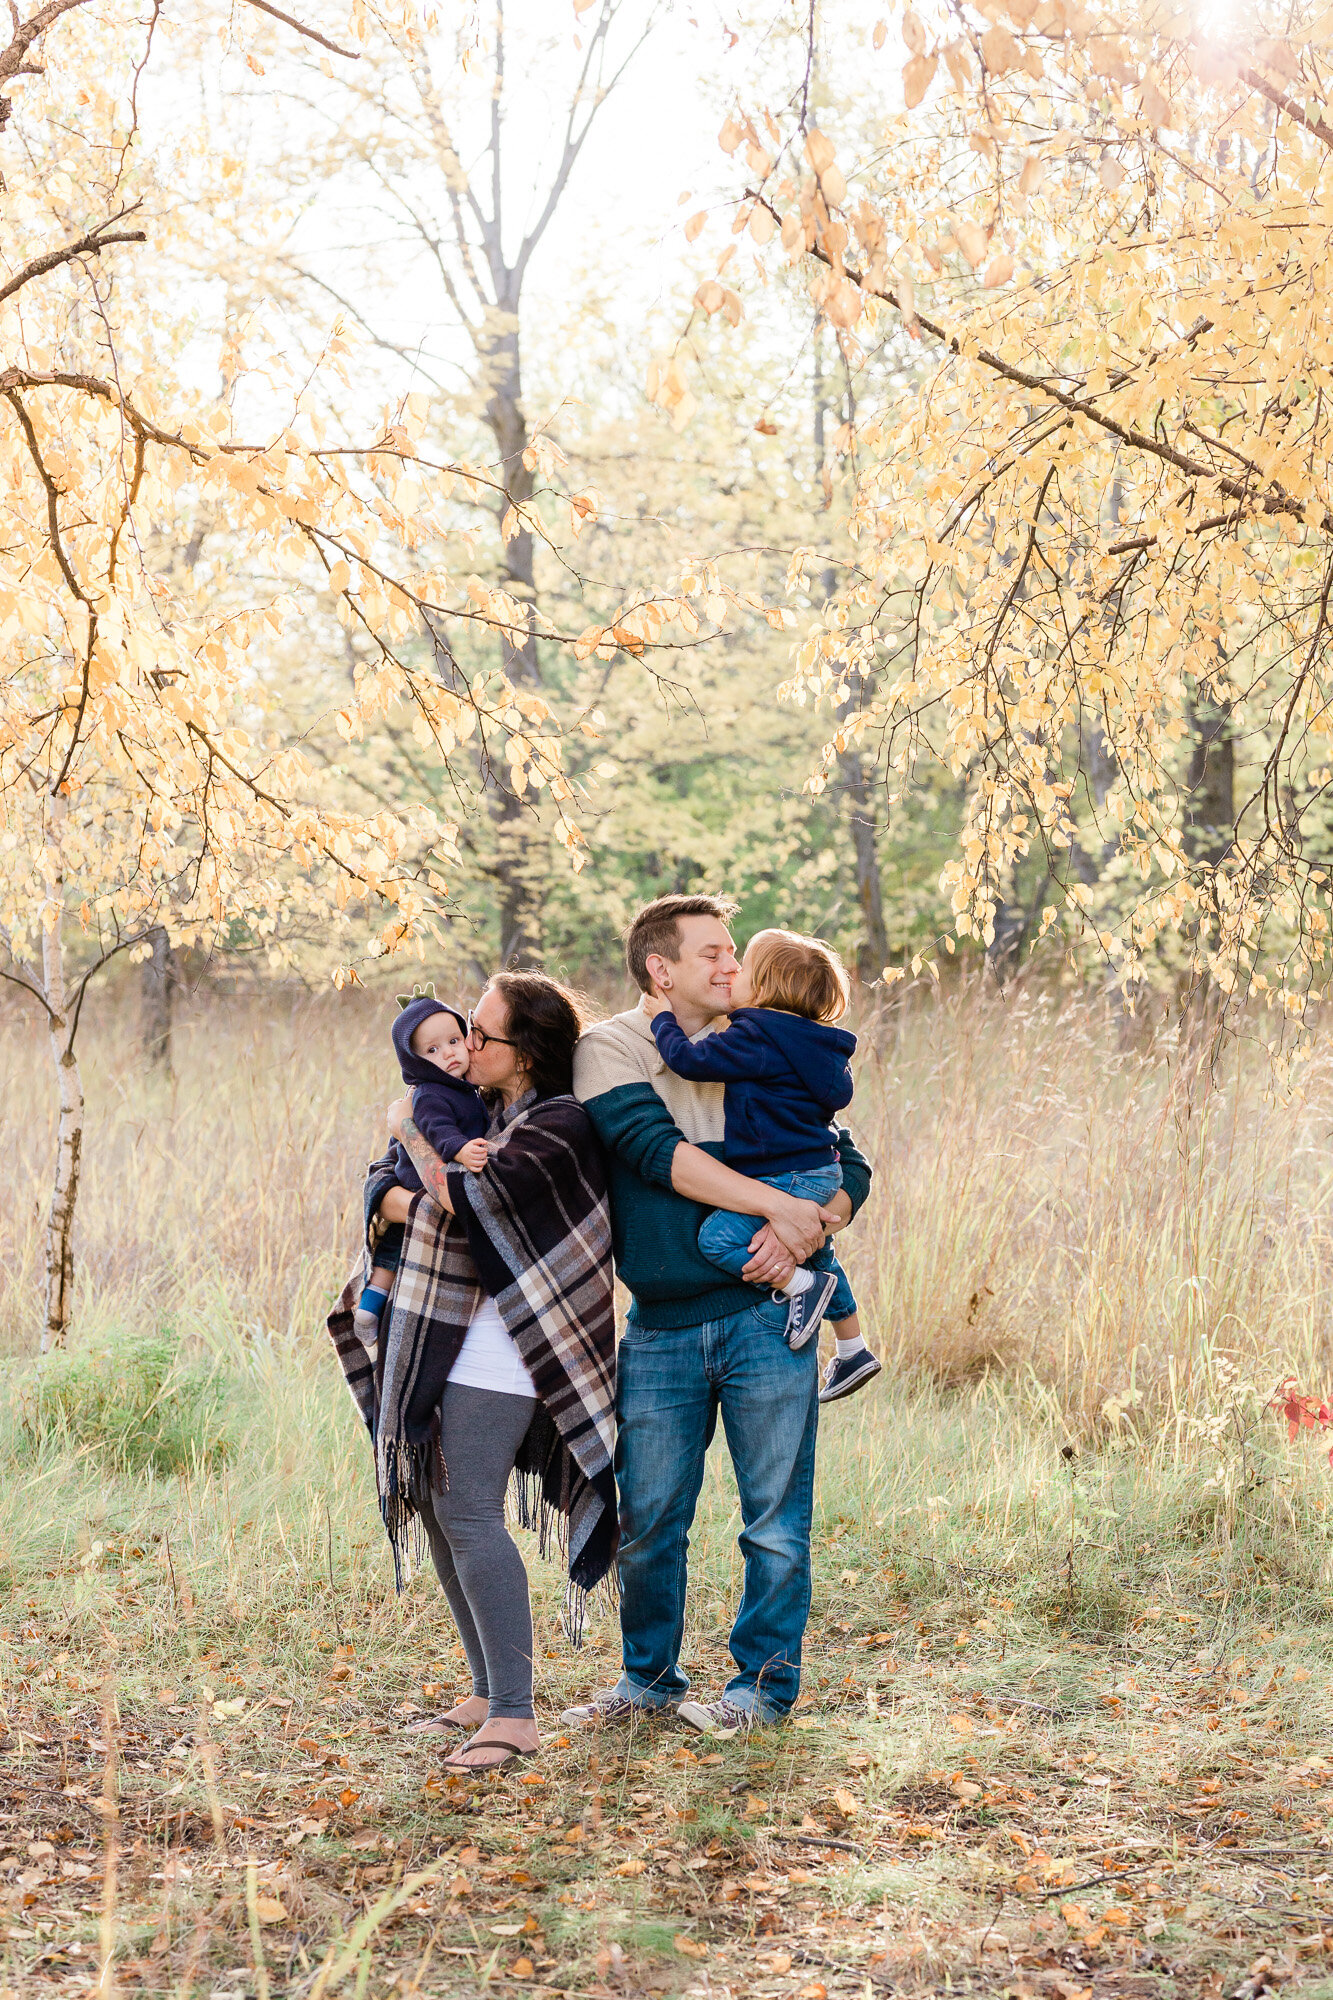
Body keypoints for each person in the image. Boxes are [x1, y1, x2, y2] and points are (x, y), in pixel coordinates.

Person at [564, 894, 874, 1738]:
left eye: (735, 952)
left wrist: (820, 1215)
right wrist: (786, 1210)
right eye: (712, 954)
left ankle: (760, 1693)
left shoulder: (758, 1039)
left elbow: (843, 1155)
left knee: (775, 1521)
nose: (731, 966)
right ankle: (648, 1681)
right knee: (649, 1520)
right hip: (662, 1325)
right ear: (660, 971)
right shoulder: (613, 1048)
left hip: (769, 1318)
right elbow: (656, 1156)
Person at [327, 972, 617, 1774]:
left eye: (481, 1035)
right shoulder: (482, 1112)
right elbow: (383, 1184)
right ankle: (488, 1690)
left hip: (514, 1346)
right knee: (431, 1503)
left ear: (524, 1053)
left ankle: (518, 1716)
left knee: (469, 1514)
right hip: (450, 1336)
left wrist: (411, 1144)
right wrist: (403, 1177)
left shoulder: (557, 1123)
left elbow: (466, 1198)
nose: (466, 1047)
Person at [645, 927, 881, 1402]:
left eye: (744, 967)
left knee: (717, 1238)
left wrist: (662, 1021)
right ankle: (853, 1347)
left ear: (766, 987)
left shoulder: (756, 1035)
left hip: (784, 1174)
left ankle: (800, 1286)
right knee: (818, 1247)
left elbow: (689, 1061)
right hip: (820, 1171)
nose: (733, 972)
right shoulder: (818, 1044)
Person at [352, 989, 489, 1355]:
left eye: (454, 1041)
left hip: (435, 1185)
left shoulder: (468, 1089)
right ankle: (370, 1303)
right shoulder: (429, 1093)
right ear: (417, 1063)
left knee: (401, 1239)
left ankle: (373, 1302)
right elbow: (436, 1127)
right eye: (432, 1050)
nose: (448, 1053)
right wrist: (459, 1148)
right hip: (420, 1179)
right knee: (396, 1243)